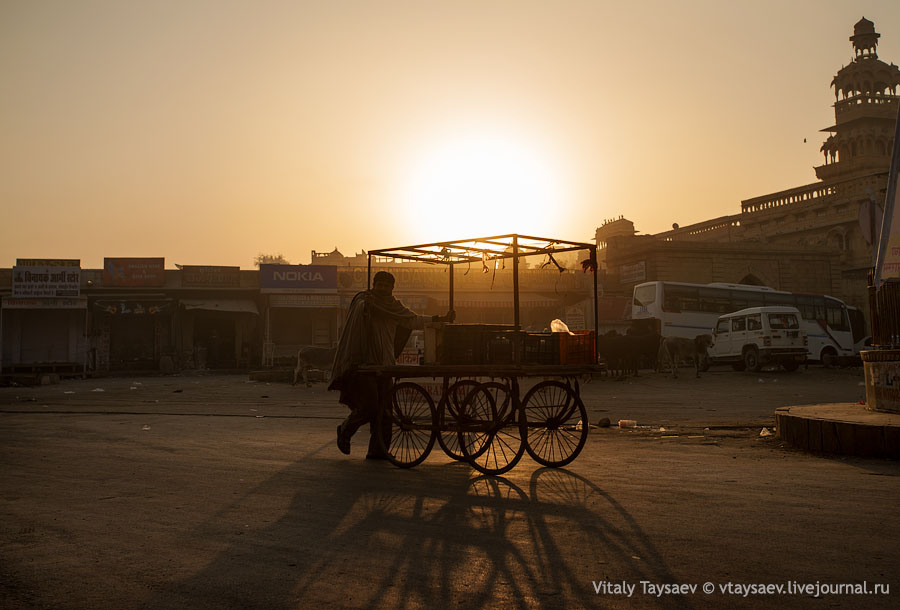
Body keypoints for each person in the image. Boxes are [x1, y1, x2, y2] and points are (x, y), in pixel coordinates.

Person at [329, 271, 455, 458]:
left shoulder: (394, 307)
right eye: (379, 285)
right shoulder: (364, 302)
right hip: (364, 364)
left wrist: (439, 319)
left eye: (386, 286)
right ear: (373, 285)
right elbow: (358, 312)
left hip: (386, 364)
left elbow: (413, 320)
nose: (382, 289)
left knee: (386, 412)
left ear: (392, 288)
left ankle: (378, 451)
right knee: (369, 407)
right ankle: (345, 430)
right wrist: (367, 307)